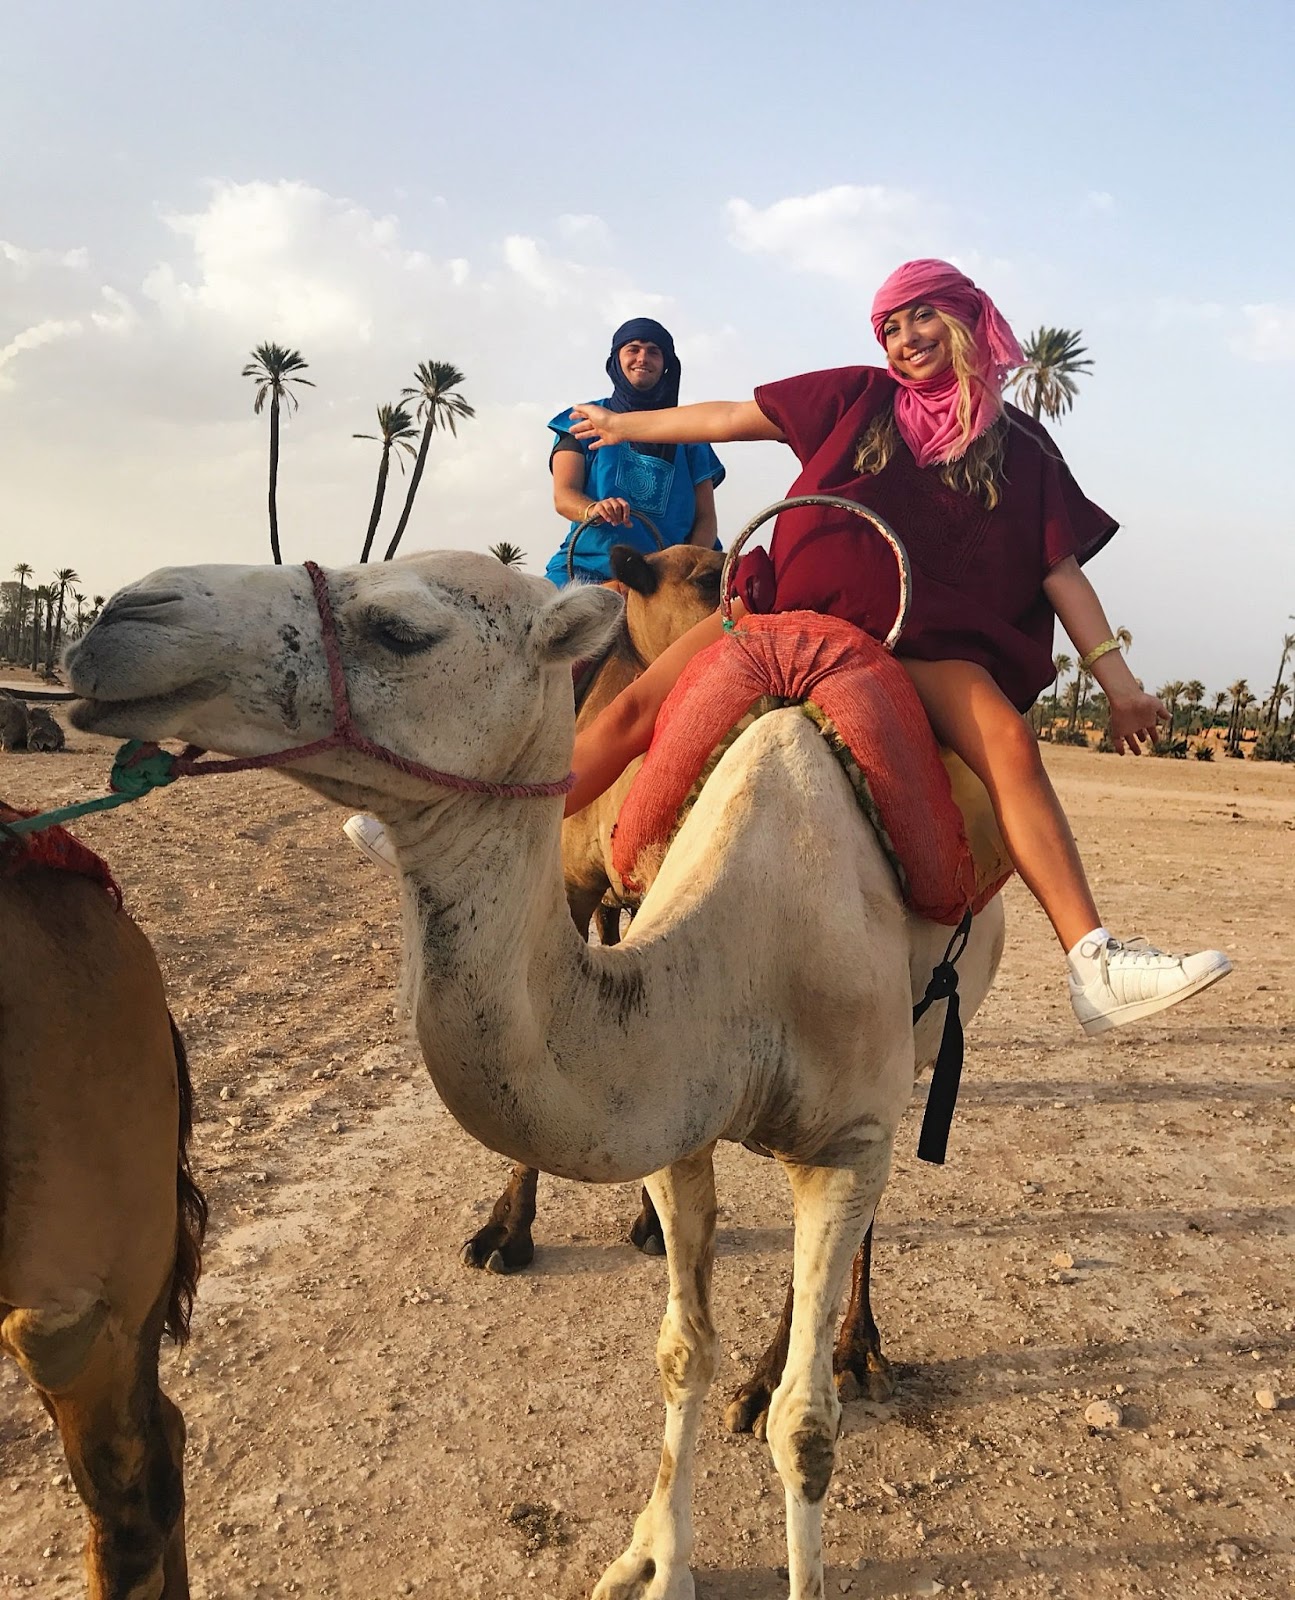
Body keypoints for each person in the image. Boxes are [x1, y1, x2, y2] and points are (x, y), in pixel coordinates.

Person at [562, 258, 1230, 1036]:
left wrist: (1119, 685)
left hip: (918, 643)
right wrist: (621, 425)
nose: (903, 339)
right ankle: (487, 818)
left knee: (1008, 742)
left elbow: (1061, 573)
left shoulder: (1023, 450)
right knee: (635, 706)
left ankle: (1093, 960)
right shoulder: (856, 395)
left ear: (966, 320)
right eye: (888, 326)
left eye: (921, 317)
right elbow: (727, 416)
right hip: (783, 615)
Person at [544, 317, 726, 586]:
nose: (643, 358)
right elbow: (564, 496)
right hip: (588, 568)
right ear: (616, 359)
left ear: (666, 364)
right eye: (633, 349)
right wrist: (594, 508)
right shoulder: (582, 420)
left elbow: (706, 518)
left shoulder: (689, 435)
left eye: (654, 351)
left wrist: (685, 572)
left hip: (667, 578)